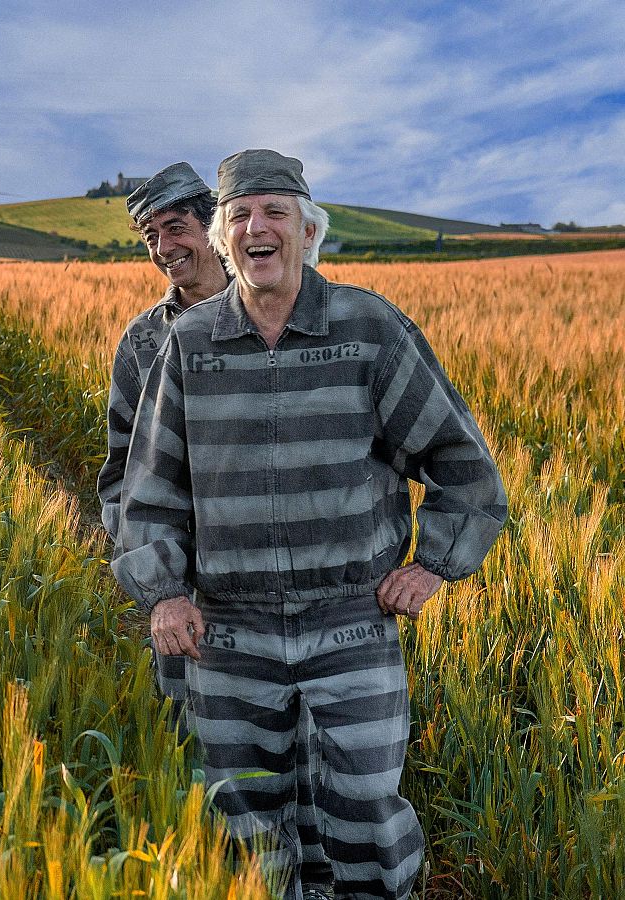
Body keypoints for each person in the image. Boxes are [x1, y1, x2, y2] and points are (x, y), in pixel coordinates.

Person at [113, 149, 507, 900]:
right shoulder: (188, 346)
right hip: (226, 629)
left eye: (275, 212)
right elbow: (150, 486)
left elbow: (463, 464)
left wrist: (437, 563)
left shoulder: (370, 329)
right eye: (241, 217)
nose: (257, 228)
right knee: (245, 831)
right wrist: (163, 591)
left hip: (350, 621)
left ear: (307, 229)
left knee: (363, 813)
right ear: (226, 240)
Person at [99, 161, 231, 719]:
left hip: (284, 576)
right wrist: (159, 583)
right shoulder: (143, 339)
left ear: (214, 228)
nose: (163, 247)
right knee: (196, 731)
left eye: (176, 228)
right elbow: (120, 474)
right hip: (187, 580)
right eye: (151, 236)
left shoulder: (280, 312)